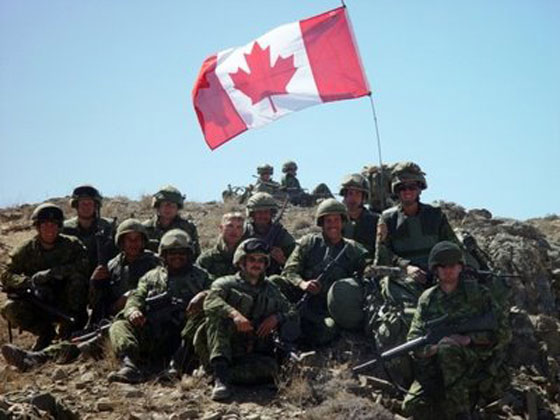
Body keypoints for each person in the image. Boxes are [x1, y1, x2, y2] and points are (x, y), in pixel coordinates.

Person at [1, 218, 161, 371]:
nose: (133, 243)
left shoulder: (155, 263)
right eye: (129, 239)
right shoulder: (113, 265)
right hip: (114, 318)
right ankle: (37, 357)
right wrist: (95, 283)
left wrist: (132, 302)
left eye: (137, 239)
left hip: (143, 319)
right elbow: (96, 302)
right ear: (121, 242)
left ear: (144, 241)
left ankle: (39, 358)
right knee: (81, 338)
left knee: (91, 341)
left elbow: (162, 293)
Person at [402, 241, 511, 419]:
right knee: (412, 406)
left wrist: (469, 340)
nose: (448, 270)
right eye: (442, 266)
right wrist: (433, 349)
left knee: (448, 349)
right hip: (437, 368)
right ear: (435, 269)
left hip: (477, 364)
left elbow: (504, 333)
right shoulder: (427, 299)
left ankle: (461, 414)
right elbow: (414, 338)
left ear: (460, 267)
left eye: (452, 265)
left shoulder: (480, 295)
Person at [195, 238, 299, 401]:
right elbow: (210, 302)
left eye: (261, 260)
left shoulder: (270, 289)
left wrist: (276, 317)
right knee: (218, 320)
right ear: (241, 262)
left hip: (251, 347)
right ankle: (220, 380)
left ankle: (219, 374)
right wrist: (234, 315)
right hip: (224, 345)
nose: (256, 264)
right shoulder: (225, 283)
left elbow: (291, 310)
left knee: (272, 369)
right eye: (252, 260)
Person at [107, 229, 211, 383]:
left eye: (182, 253)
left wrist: (203, 295)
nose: (177, 257)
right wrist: (133, 310)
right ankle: (129, 365)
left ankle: (177, 366)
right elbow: (137, 295)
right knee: (119, 325)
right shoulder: (151, 277)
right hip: (155, 334)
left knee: (200, 319)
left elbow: (218, 292)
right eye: (172, 253)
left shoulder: (201, 276)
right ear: (164, 255)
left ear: (189, 254)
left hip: (186, 339)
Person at [0, 203, 89, 351]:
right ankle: (45, 333)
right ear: (37, 227)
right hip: (38, 301)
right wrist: (28, 283)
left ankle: (69, 330)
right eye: (45, 225)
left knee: (78, 281)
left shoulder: (72, 244)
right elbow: (6, 274)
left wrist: (52, 273)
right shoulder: (26, 249)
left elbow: (84, 266)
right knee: (10, 308)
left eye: (53, 225)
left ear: (59, 226)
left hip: (66, 300)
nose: (49, 229)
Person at [280, 199, 368, 346]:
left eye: (336, 220)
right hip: (299, 299)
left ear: (343, 222)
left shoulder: (353, 249)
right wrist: (303, 284)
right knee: (275, 281)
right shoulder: (308, 243)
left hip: (325, 308)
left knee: (328, 329)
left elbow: (367, 273)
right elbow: (289, 270)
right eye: (328, 221)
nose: (333, 225)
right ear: (321, 223)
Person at [62, 185, 117, 276]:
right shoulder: (65, 229)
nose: (86, 207)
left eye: (89, 203)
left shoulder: (108, 227)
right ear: (76, 205)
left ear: (95, 206)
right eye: (83, 203)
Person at [142, 185, 201, 258]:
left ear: (177, 208)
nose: (168, 209)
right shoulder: (145, 228)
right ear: (158, 206)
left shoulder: (188, 228)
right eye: (165, 205)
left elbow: (196, 255)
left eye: (172, 206)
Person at [243, 192, 295, 275]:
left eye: (266, 212)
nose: (262, 216)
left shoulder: (280, 234)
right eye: (259, 212)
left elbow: (297, 263)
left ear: (271, 213)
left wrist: (283, 261)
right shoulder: (243, 232)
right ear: (252, 214)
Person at [339, 173, 379, 260]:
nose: (353, 198)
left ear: (363, 197)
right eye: (350, 193)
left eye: (357, 194)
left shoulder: (375, 221)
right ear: (344, 196)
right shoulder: (337, 221)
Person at [197, 212, 245, 280]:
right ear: (221, 228)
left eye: (239, 227)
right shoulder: (207, 259)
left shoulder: (247, 259)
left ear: (243, 231)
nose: (234, 230)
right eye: (230, 226)